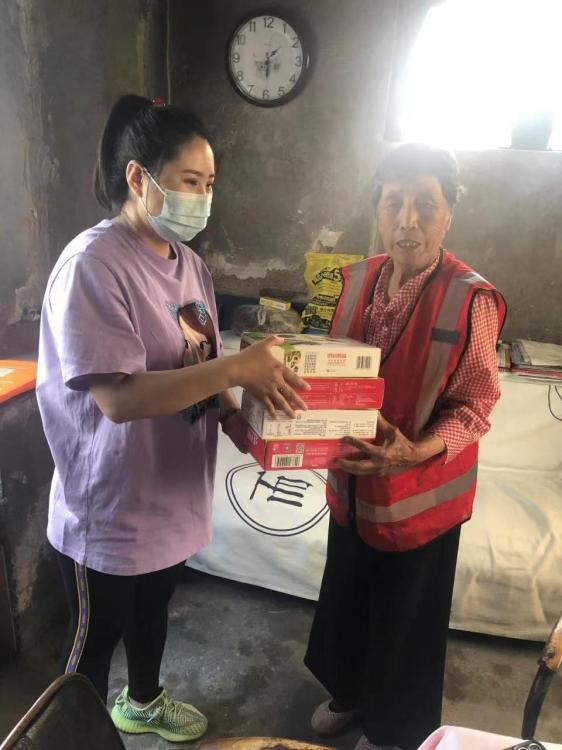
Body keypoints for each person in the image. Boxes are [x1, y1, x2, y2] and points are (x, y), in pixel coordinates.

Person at [36, 94, 308, 744]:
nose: (203, 198)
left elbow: (203, 364)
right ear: (139, 178)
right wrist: (237, 370)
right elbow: (120, 399)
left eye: (209, 184)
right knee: (92, 646)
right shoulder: (93, 266)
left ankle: (144, 702)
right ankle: (68, 737)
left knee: (153, 611)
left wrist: (241, 422)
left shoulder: (190, 267)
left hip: (170, 497)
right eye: (190, 180)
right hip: (109, 508)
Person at [305, 143, 506, 750]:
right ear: (378, 210)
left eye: (425, 204)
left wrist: (415, 452)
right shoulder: (358, 279)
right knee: (348, 596)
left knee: (406, 618)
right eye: (394, 203)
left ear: (449, 215)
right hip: (353, 485)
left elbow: (476, 404)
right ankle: (350, 693)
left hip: (420, 497)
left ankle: (393, 728)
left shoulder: (470, 299)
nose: (408, 220)